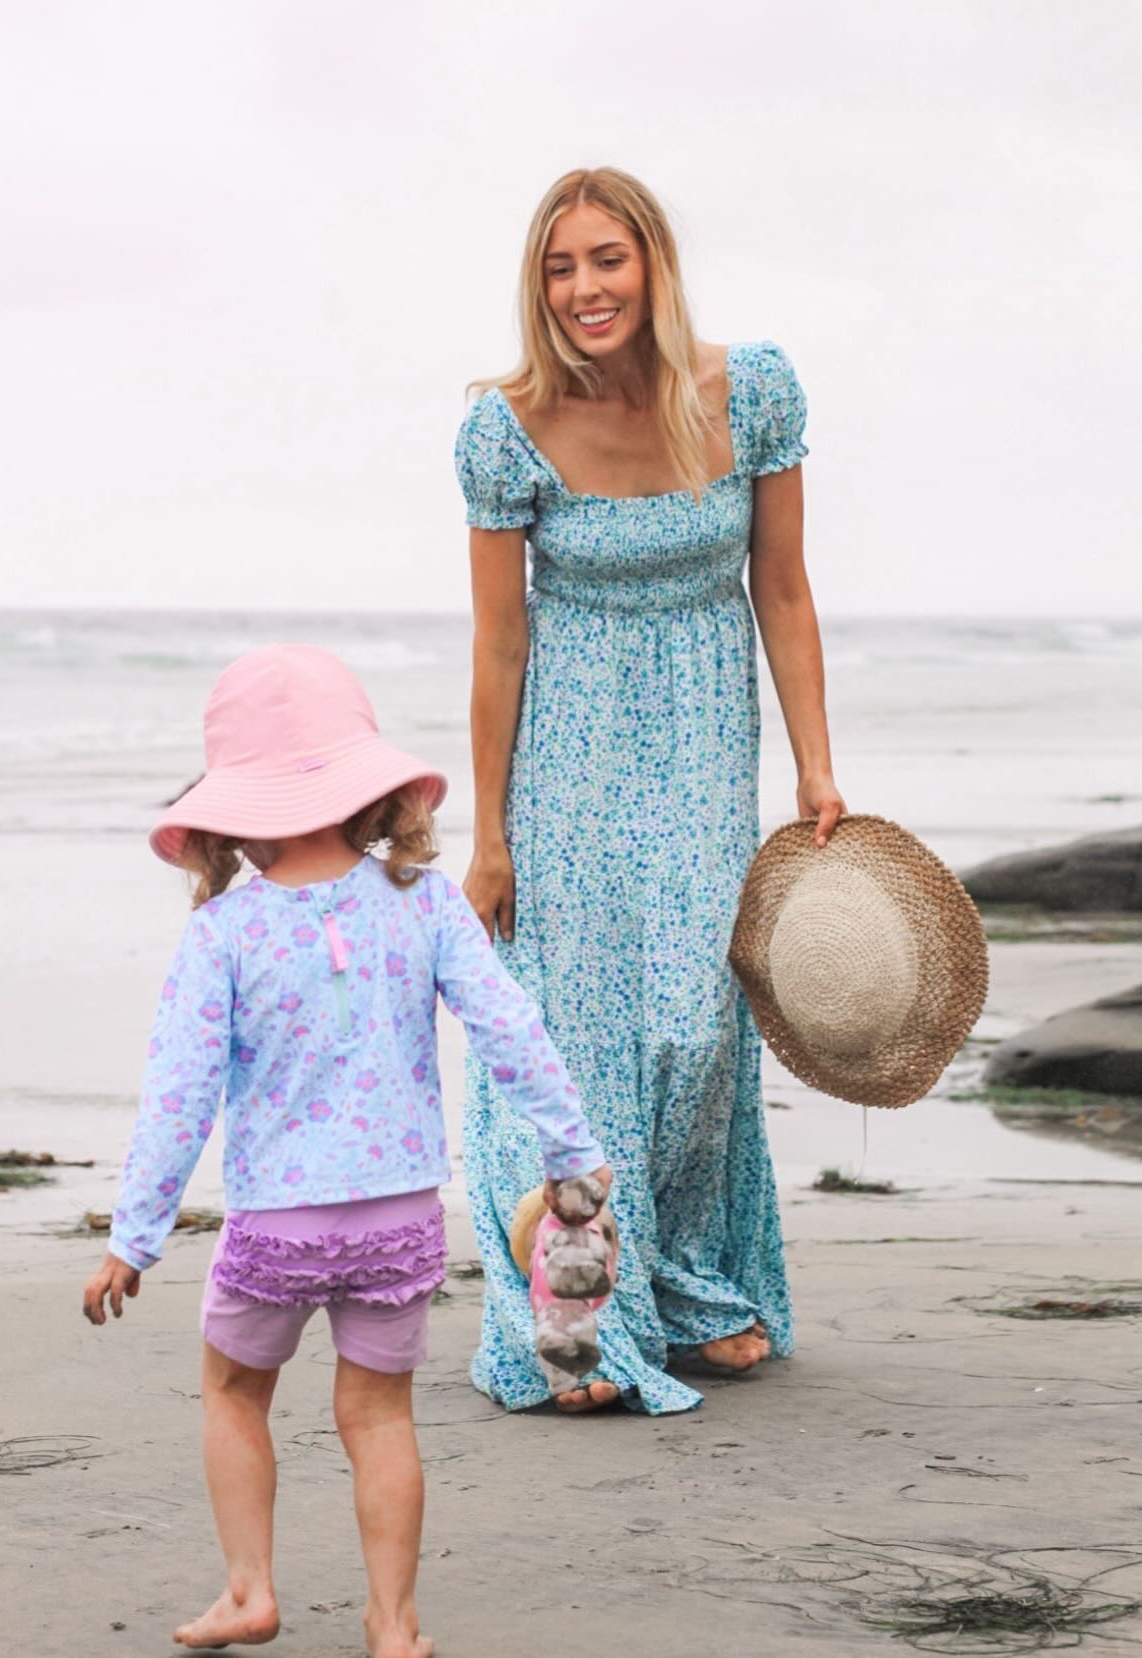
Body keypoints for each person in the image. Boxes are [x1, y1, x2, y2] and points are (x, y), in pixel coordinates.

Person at [81, 643, 610, 1656]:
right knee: (377, 1417)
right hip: (398, 1223)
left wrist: (133, 1239)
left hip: (276, 1230)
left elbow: (179, 1099)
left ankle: (249, 1589)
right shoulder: (423, 901)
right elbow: (508, 1027)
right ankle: (394, 1623)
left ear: (233, 809)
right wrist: (571, 1152)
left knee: (234, 1391)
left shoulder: (225, 932)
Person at [456, 166, 845, 1417]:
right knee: (573, 1042)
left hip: (699, 736)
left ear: (653, 264)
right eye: (559, 267)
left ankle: (675, 1280)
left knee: (693, 1027)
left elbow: (781, 587)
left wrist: (814, 764)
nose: (584, 288)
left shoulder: (753, 391)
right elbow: (498, 644)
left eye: (606, 259)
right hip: (564, 753)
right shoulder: (505, 428)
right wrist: (489, 834)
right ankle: (573, 1322)